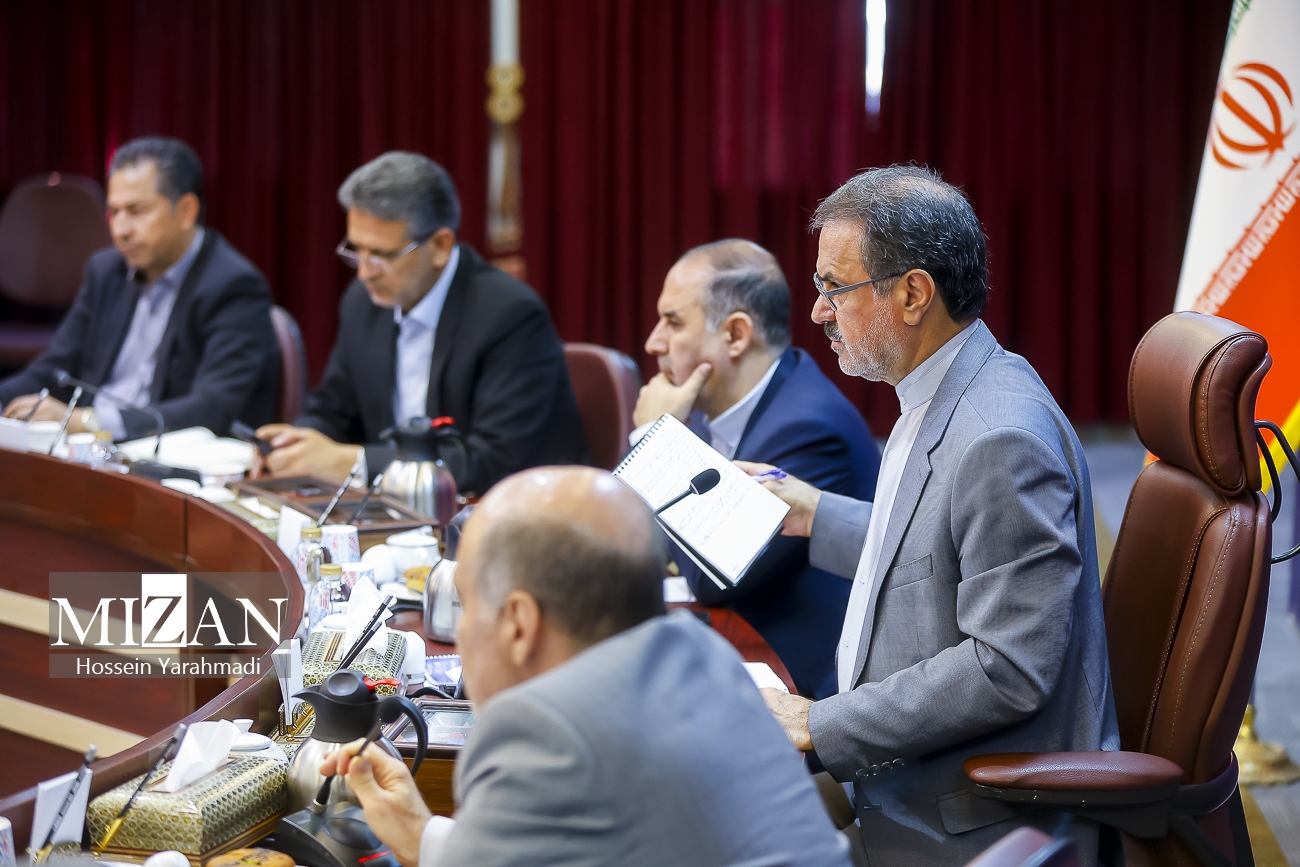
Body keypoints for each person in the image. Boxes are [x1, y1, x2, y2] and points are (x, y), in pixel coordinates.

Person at [750, 166, 1118, 866]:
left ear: (913, 293)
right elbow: (938, 552)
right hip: (907, 771)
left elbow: (1007, 666)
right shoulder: (950, 382)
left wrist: (820, 723)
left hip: (961, 813)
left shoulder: (999, 438)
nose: (819, 312)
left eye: (835, 287)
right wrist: (815, 512)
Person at [320, 465, 851, 867]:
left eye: (468, 607)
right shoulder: (706, 656)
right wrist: (420, 833)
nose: (461, 634)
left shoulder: (539, 730)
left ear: (519, 623)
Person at [633, 239, 879, 698]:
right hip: (733, 647)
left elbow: (712, 578)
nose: (654, 343)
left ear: (735, 335)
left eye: (673, 322)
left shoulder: (809, 428)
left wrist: (655, 438)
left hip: (808, 689)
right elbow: (633, 534)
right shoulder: (709, 409)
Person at [255, 152, 586, 494]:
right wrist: (294, 445)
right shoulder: (362, 302)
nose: (364, 272)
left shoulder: (510, 315)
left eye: (381, 254)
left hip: (513, 509)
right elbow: (334, 407)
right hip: (395, 510)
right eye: (357, 249)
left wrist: (356, 463)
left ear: (440, 245)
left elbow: (494, 461)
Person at [0, 137, 278, 439]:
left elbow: (212, 408)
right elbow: (53, 369)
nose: (120, 230)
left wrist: (87, 421)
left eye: (136, 211)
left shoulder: (232, 286)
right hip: (88, 448)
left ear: (186, 211)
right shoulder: (106, 271)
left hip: (163, 452)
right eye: (113, 212)